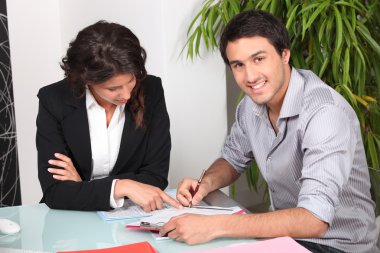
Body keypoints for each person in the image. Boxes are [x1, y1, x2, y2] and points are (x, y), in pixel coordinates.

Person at [160, 10, 379, 253]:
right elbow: (232, 159)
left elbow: (314, 219)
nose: (250, 76)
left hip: (339, 245)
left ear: (284, 54)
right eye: (238, 65)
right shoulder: (250, 105)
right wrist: (206, 183)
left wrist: (215, 225)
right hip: (286, 240)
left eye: (259, 59)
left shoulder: (324, 113)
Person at [36, 21, 181, 212]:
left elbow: (156, 176)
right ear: (86, 81)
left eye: (131, 81)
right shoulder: (54, 99)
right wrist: (124, 186)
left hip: (132, 215)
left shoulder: (151, 90)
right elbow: (55, 192)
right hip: (70, 222)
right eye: (113, 89)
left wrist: (83, 186)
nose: (127, 95)